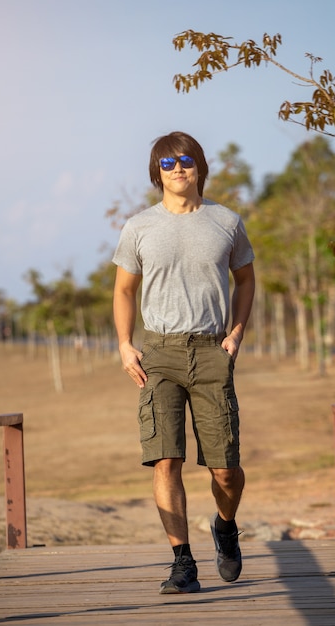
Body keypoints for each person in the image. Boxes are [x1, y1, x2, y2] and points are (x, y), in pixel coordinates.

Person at [112, 131, 255, 594]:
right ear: (157, 172)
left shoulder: (226, 221)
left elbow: (246, 280)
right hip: (159, 354)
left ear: (200, 167)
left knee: (225, 469)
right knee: (164, 459)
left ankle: (225, 526)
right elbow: (124, 291)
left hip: (213, 351)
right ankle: (182, 562)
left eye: (186, 161)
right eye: (168, 163)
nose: (178, 169)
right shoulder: (139, 227)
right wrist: (124, 343)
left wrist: (235, 333)